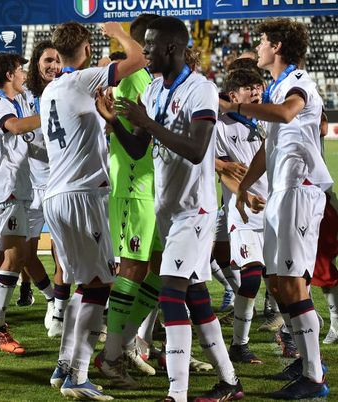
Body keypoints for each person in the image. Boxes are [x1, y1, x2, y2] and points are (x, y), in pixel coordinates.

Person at [103, 16, 243, 401]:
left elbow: (198, 151)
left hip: (194, 211)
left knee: (170, 294)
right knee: (196, 296)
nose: (143, 52)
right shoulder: (152, 90)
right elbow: (137, 148)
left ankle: (176, 393)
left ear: (171, 48)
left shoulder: (202, 90)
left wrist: (148, 122)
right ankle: (230, 383)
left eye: (149, 46)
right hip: (167, 209)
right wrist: (115, 123)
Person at [224, 17, 332, 399]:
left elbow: (287, 113)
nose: (260, 47)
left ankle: (314, 375)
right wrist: (245, 186)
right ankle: (308, 361)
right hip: (281, 193)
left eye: (265, 41)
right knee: (277, 280)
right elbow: (268, 148)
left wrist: (244, 107)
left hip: (299, 191)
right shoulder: (276, 86)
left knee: (290, 281)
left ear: (280, 48)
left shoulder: (298, 82)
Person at [41, 20, 145, 400]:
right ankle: (78, 376)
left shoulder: (50, 90)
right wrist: (118, 32)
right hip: (83, 194)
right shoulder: (83, 78)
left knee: (83, 287)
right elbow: (139, 57)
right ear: (84, 50)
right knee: (100, 286)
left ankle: (65, 366)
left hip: (56, 195)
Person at [96, 14, 162, 386]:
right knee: (133, 269)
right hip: (133, 185)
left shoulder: (146, 79)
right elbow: (136, 146)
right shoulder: (132, 77)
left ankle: (122, 344)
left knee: (159, 267)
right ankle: (111, 356)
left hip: (152, 187)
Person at [0, 52, 39, 355]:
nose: (24, 74)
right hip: (5, 193)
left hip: (17, 191)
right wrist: (57, 114)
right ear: (8, 75)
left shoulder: (19, 101)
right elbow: (14, 127)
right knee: (15, 257)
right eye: (20, 70)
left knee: (21, 256)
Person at [214, 68, 268, 365]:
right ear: (233, 96)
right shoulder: (221, 126)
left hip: (275, 208)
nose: (256, 91)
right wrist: (243, 195)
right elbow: (223, 172)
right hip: (243, 211)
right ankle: (239, 344)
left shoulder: (269, 119)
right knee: (250, 278)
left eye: (258, 86)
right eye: (249, 88)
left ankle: (288, 335)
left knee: (284, 279)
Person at [21, 40, 67, 338]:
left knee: (61, 251)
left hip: (60, 181)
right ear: (37, 62)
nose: (53, 66)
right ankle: (51, 296)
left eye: (58, 61)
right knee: (24, 253)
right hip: (29, 184)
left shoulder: (68, 89)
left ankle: (60, 312)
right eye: (48, 60)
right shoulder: (25, 95)